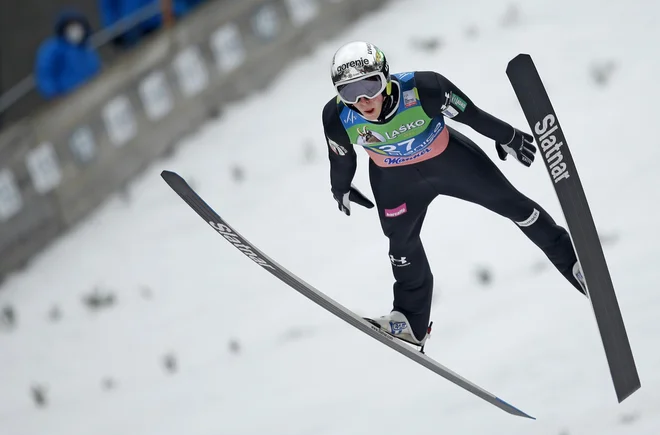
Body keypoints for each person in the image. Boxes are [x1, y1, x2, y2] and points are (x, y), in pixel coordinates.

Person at [321, 41, 587, 349]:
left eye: (370, 85)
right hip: (395, 182)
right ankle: (410, 322)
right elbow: (340, 158)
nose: (363, 100)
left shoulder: (424, 88)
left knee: (515, 206)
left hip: (453, 164)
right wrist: (339, 188)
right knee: (401, 244)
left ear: (387, 77)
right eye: (349, 92)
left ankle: (575, 264)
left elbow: (471, 115)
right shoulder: (337, 117)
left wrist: (508, 137)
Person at [35, 10, 102, 99]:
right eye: (72, 26)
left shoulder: (85, 48)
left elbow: (96, 67)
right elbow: (45, 73)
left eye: (78, 26)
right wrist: (53, 94)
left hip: (93, 92)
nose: (76, 30)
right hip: (69, 97)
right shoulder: (53, 48)